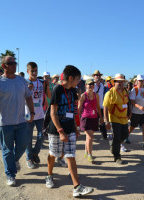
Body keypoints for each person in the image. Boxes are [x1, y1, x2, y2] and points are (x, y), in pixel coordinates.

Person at [45, 65, 94, 197]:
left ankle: (77, 187)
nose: (79, 82)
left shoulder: (73, 91)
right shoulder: (57, 90)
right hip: (56, 129)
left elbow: (72, 111)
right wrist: (60, 131)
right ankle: (49, 175)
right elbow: (53, 113)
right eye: (78, 79)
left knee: (70, 156)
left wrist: (75, 127)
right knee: (53, 154)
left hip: (70, 128)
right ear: (71, 78)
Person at [0, 56, 34, 186]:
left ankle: (13, 161)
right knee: (7, 150)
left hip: (21, 121)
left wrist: (32, 112)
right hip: (4, 123)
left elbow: (29, 97)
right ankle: (10, 175)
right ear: (4, 66)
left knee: (23, 144)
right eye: (11, 63)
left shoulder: (21, 81)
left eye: (15, 63)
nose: (14, 65)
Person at [25, 62, 51, 169]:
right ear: (28, 72)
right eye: (32, 71)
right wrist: (28, 90)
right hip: (28, 114)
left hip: (40, 114)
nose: (35, 73)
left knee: (42, 135)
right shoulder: (24, 82)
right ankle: (29, 158)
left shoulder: (41, 82)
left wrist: (47, 86)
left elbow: (48, 95)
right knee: (28, 138)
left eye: (36, 70)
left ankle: (35, 153)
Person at [103, 73, 129, 165]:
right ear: (114, 82)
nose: (121, 84)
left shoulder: (125, 91)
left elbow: (127, 103)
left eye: (122, 82)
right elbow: (105, 108)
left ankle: (113, 145)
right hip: (114, 118)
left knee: (125, 135)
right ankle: (117, 156)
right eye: (119, 82)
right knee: (117, 138)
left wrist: (129, 114)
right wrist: (106, 121)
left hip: (124, 119)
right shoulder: (109, 93)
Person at [78, 79, 103, 162]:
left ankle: (86, 151)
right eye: (89, 84)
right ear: (86, 85)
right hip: (85, 119)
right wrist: (76, 120)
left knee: (88, 138)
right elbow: (79, 108)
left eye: (92, 84)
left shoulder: (96, 96)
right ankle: (90, 154)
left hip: (94, 118)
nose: (91, 86)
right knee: (90, 137)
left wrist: (101, 118)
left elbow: (98, 107)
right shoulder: (83, 96)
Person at [128, 75, 144, 148]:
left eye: (142, 80)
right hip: (136, 112)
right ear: (137, 81)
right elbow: (132, 101)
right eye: (140, 80)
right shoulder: (134, 90)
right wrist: (139, 106)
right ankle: (125, 136)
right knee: (132, 126)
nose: (141, 82)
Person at [93, 70, 107, 139]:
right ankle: (91, 136)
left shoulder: (102, 85)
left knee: (102, 121)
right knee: (93, 122)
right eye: (96, 75)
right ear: (94, 76)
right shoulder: (92, 85)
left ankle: (104, 136)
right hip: (93, 107)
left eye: (99, 75)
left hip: (101, 106)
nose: (98, 77)